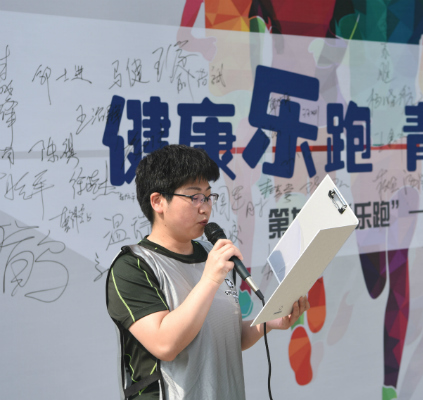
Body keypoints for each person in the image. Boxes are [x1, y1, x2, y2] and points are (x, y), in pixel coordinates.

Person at [106, 144, 309, 399]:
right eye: (194, 197)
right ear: (158, 201)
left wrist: (269, 322)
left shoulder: (212, 256)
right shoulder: (133, 266)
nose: (205, 208)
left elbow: (223, 335)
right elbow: (165, 344)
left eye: (209, 196)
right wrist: (210, 278)